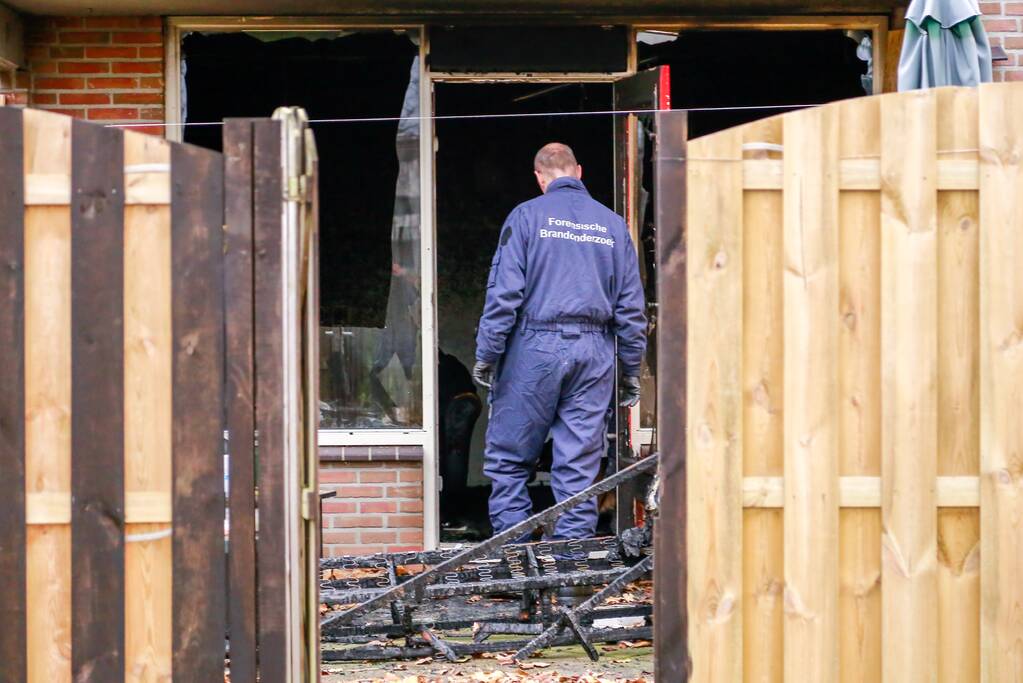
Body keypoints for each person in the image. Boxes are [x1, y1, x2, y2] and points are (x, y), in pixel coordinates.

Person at [473, 142, 646, 542]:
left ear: (539, 178)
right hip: (594, 353)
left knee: (510, 459)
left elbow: (504, 296)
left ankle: (517, 564)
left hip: (534, 349)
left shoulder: (526, 217)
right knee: (579, 467)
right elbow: (631, 308)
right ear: (579, 172)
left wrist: (488, 354)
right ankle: (569, 568)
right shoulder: (612, 225)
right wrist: (631, 370)